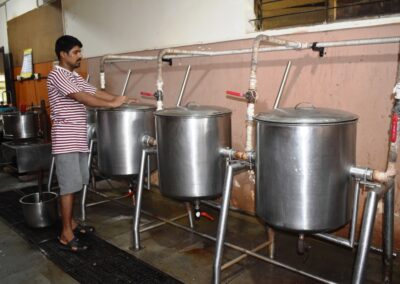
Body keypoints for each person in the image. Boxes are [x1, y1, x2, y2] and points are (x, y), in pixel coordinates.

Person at [47, 35, 133, 251]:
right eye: (76, 52)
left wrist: (119, 98)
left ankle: (72, 223)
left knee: (76, 184)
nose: (80, 56)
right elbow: (81, 97)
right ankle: (66, 234)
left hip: (77, 138)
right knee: (67, 187)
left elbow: (94, 92)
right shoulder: (57, 75)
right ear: (63, 54)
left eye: (80, 51)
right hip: (66, 138)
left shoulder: (74, 75)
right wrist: (112, 104)